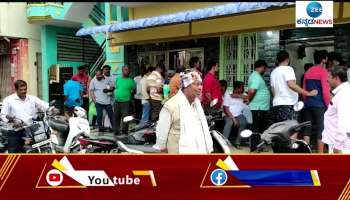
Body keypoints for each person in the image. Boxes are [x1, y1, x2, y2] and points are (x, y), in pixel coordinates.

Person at [153, 70, 213, 154]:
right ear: (186, 86)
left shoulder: (197, 106)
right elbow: (161, 135)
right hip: (178, 156)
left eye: (201, 84)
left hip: (199, 153)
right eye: (196, 84)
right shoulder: (171, 106)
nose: (200, 87)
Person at [1, 80, 49, 153]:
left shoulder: (32, 98)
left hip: (31, 128)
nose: (23, 91)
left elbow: (44, 105)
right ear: (16, 89)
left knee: (43, 143)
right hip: (16, 128)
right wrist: (12, 121)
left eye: (25, 89)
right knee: (13, 151)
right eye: (21, 90)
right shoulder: (8, 100)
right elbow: (3, 115)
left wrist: (51, 109)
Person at [270, 50, 318, 124]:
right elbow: (291, 84)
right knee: (292, 129)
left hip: (277, 104)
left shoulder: (273, 72)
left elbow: (273, 90)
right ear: (288, 59)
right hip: (288, 103)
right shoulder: (288, 69)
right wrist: (308, 93)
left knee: (280, 130)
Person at [302, 50, 331, 153]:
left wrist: (306, 101)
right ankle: (320, 154)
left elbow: (304, 90)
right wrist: (328, 105)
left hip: (308, 104)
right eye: (326, 58)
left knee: (307, 129)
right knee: (321, 129)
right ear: (324, 59)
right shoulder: (324, 72)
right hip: (319, 105)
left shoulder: (308, 72)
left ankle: (307, 153)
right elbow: (325, 92)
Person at [322, 65, 350, 154]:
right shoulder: (342, 92)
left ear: (336, 79)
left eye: (329, 77)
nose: (327, 80)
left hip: (341, 147)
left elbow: (344, 121)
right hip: (338, 143)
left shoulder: (344, 94)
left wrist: (338, 146)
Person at [247, 60, 271, 134]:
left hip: (260, 107)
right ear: (262, 67)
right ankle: (255, 144)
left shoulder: (256, 76)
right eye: (265, 69)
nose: (265, 71)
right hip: (258, 107)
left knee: (259, 127)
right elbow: (252, 91)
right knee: (257, 127)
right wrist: (248, 99)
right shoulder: (256, 77)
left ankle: (258, 144)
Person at [223, 81, 248, 148]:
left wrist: (238, 96)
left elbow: (248, 98)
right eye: (241, 88)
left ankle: (237, 142)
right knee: (229, 123)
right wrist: (234, 119)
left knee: (243, 122)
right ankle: (224, 143)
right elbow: (226, 109)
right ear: (236, 88)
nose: (243, 89)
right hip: (228, 115)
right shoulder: (228, 95)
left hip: (239, 114)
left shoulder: (243, 95)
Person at [114, 66, 136, 135]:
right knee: (116, 117)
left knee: (126, 118)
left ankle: (124, 133)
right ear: (122, 70)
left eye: (128, 70)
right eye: (125, 69)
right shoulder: (118, 79)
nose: (127, 71)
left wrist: (131, 93)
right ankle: (117, 132)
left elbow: (134, 91)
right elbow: (116, 88)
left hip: (126, 102)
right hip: (117, 102)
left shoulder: (131, 81)